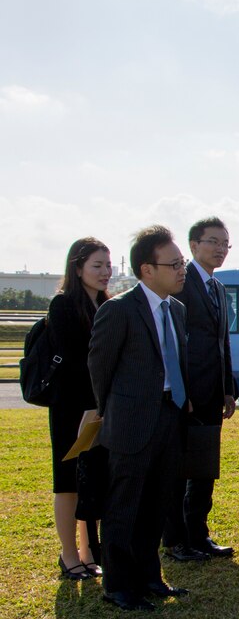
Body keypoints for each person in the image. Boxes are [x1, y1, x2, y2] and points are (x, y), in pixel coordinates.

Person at [88, 226, 191, 611]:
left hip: (169, 415)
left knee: (158, 503)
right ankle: (118, 585)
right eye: (175, 263)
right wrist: (116, 410)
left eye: (182, 263)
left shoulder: (176, 310)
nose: (182, 270)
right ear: (147, 269)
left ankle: (150, 576)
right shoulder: (118, 310)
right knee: (124, 506)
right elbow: (100, 368)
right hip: (131, 421)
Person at [163, 217, 237, 562]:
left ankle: (198, 533)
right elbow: (173, 343)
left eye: (225, 243)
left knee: (205, 467)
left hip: (211, 393)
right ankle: (175, 539)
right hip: (185, 396)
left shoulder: (218, 288)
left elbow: (220, 342)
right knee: (179, 472)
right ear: (193, 246)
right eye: (213, 242)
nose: (220, 249)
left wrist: (227, 388)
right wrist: (183, 391)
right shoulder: (181, 282)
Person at [48, 237, 112, 580]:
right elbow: (75, 360)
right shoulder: (63, 305)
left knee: (94, 481)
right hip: (70, 408)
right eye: (96, 266)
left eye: (107, 265)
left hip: (99, 408)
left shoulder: (105, 304)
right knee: (68, 483)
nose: (105, 272)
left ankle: (89, 552)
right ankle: (69, 554)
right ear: (77, 268)